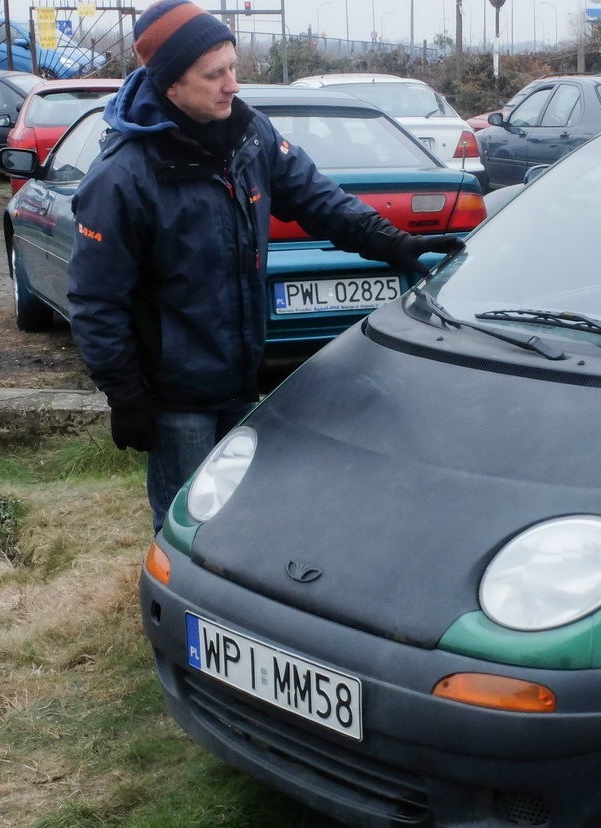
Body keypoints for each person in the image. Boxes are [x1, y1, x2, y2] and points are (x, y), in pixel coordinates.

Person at [66, 0, 461, 532]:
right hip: (174, 396)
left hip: (241, 376)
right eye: (214, 75)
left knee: (242, 516)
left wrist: (393, 242)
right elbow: (97, 301)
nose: (232, 84)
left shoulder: (250, 136)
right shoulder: (122, 177)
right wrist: (126, 396)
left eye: (233, 67)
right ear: (171, 87)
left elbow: (318, 199)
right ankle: (185, 612)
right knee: (186, 526)